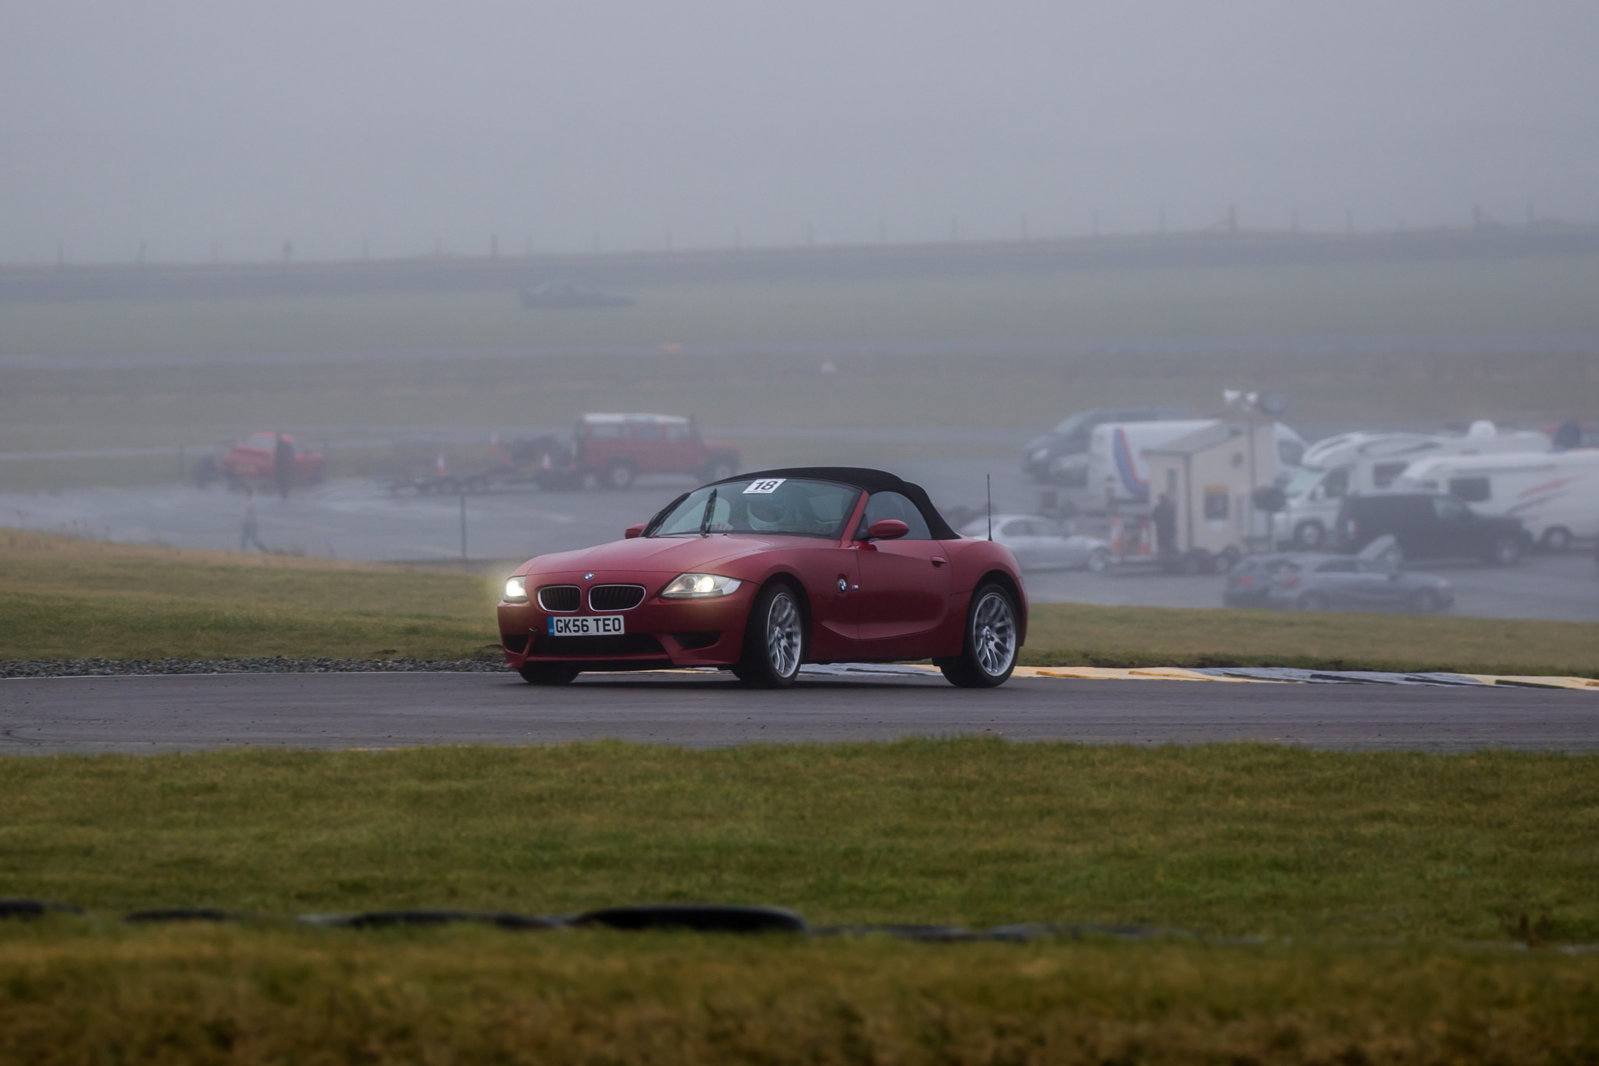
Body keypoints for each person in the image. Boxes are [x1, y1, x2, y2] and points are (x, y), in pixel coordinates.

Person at [1152, 492, 1177, 557]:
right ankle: (1168, 554)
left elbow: (1153, 517)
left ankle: (1163, 554)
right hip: (1168, 529)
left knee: (1162, 543)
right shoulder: (1170, 507)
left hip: (1162, 529)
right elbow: (1173, 518)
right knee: (1168, 542)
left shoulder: (1158, 508)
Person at [273, 433, 294, 500]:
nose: (277, 440)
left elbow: (291, 454)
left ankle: (285, 492)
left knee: (285, 480)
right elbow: (277, 457)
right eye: (276, 438)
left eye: (278, 438)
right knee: (282, 480)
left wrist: (289, 461)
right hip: (281, 467)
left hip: (285, 466)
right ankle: (284, 492)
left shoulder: (284, 445)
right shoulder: (278, 446)